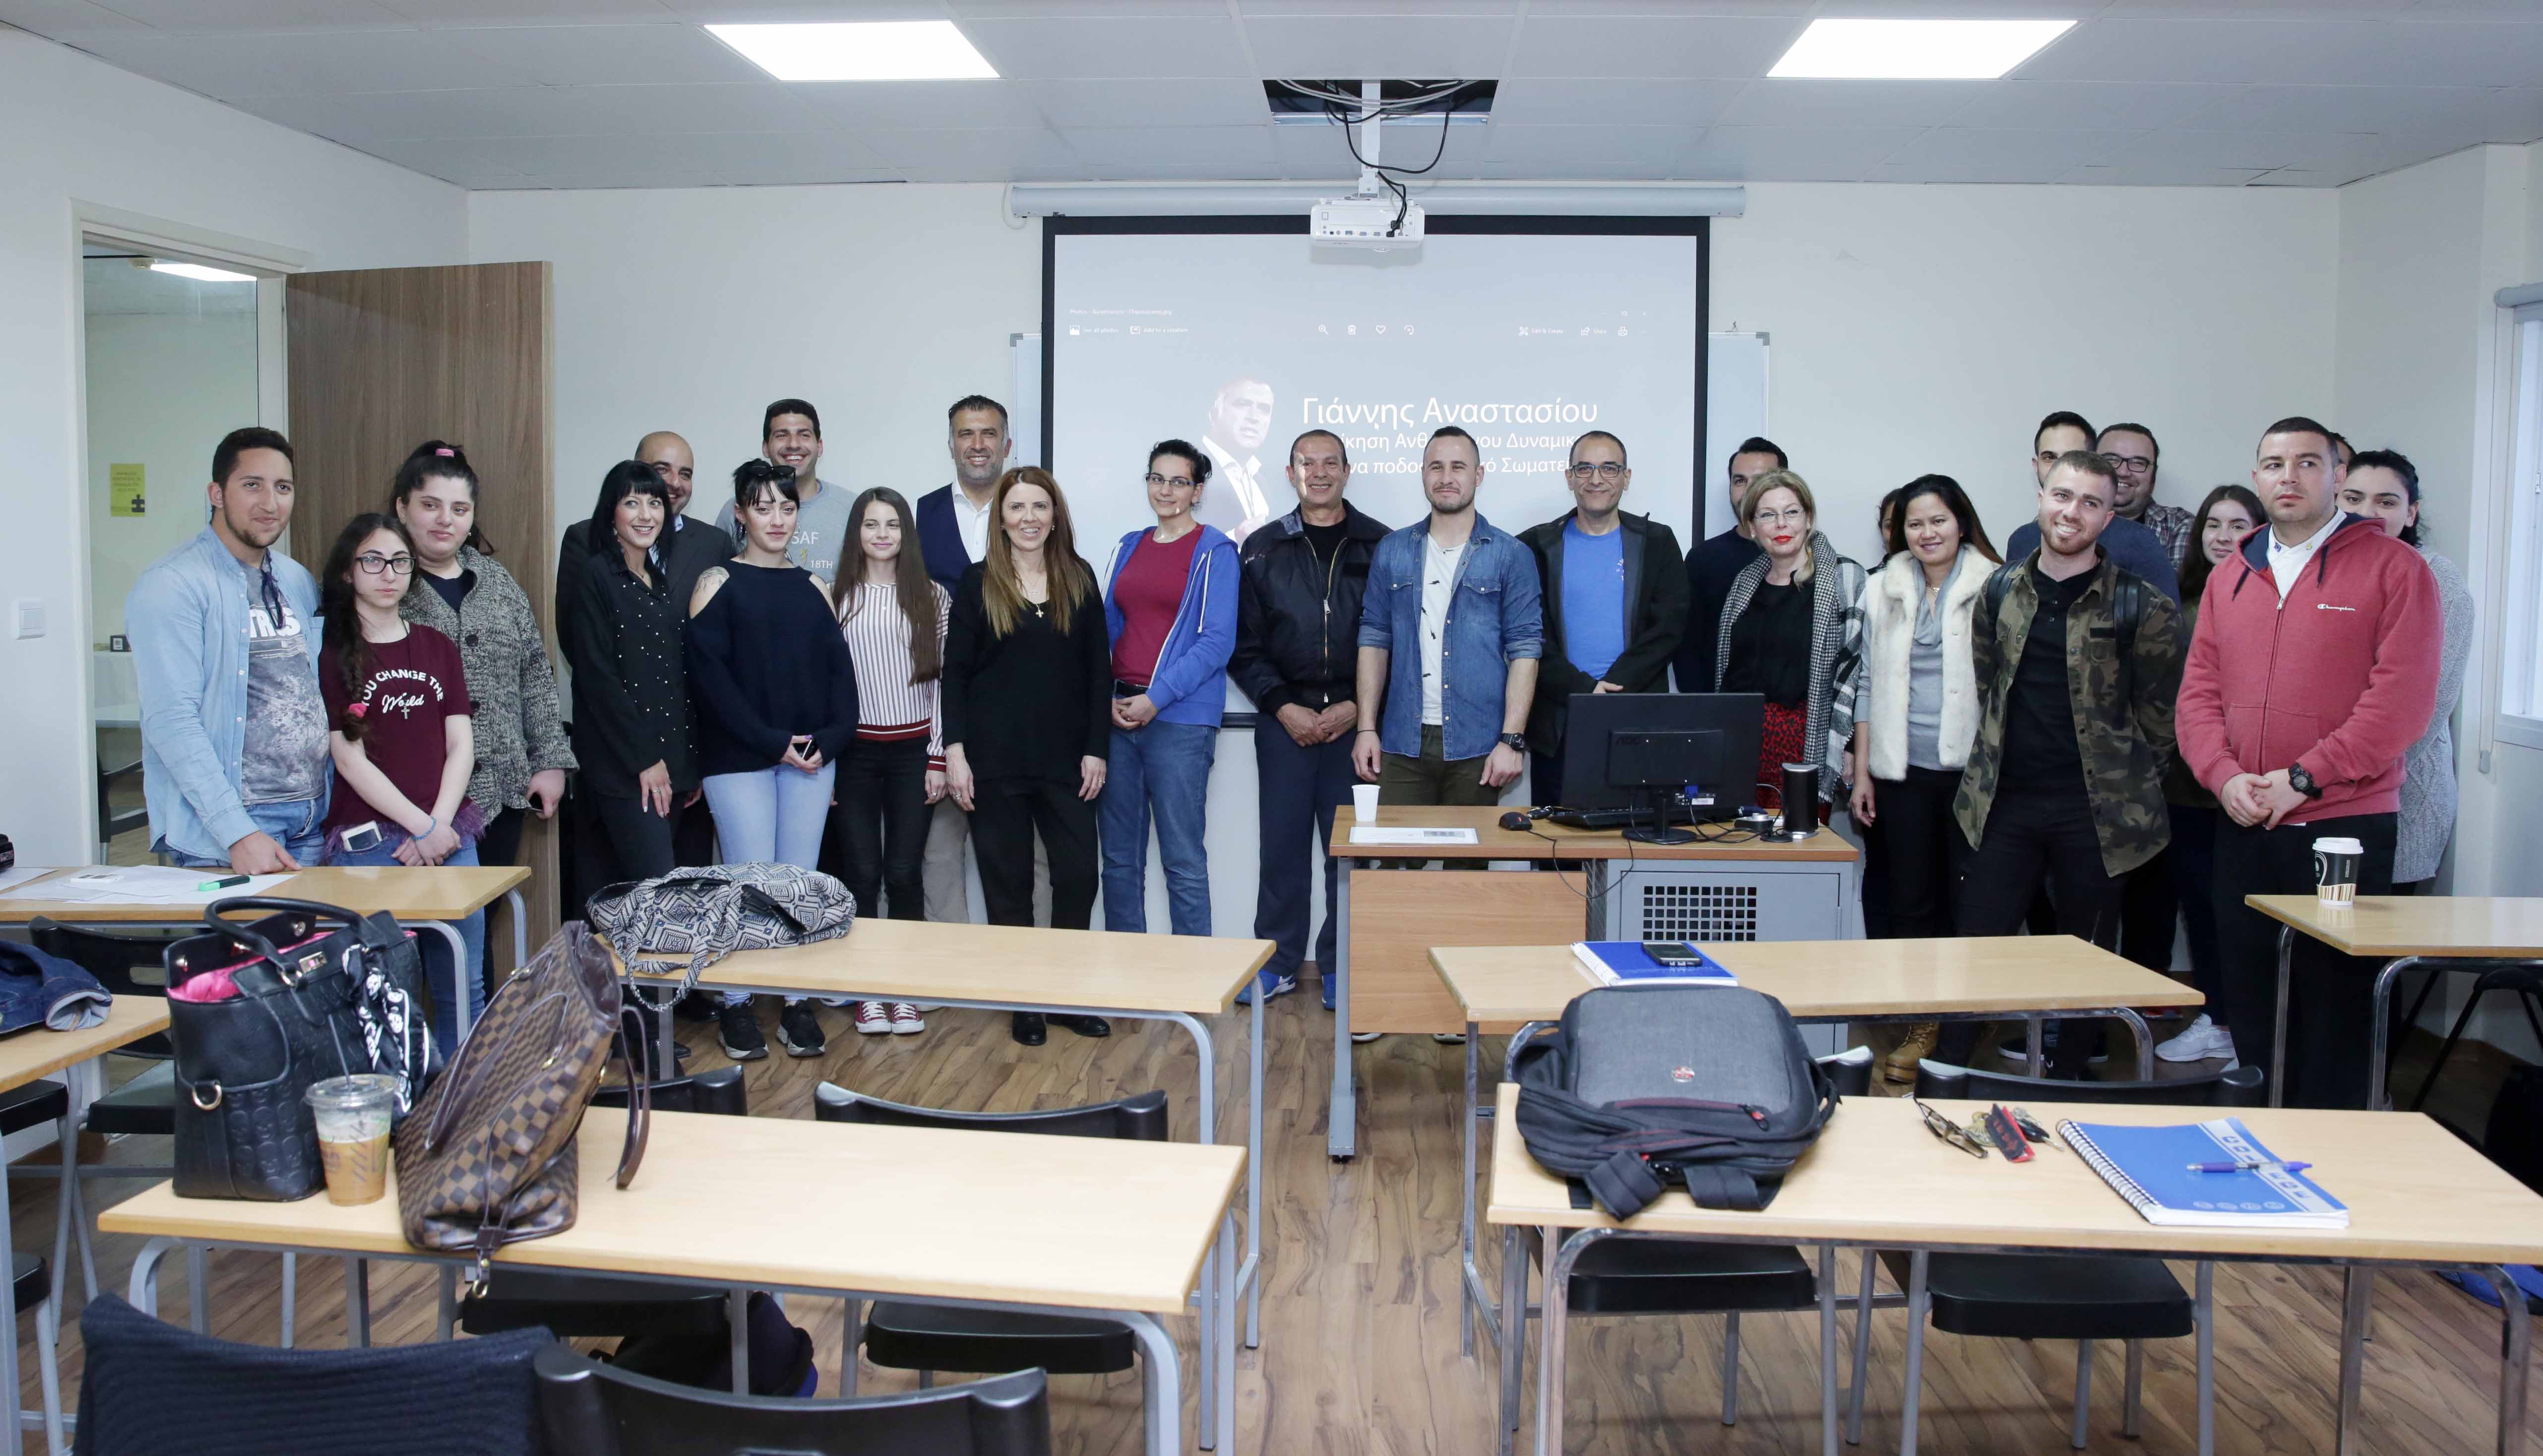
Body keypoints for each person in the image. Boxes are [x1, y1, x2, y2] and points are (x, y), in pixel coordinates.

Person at [2179, 419, 2440, 1108]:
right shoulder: (2231, 574)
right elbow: (2197, 694)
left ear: (2337, 476)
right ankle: (2264, 1143)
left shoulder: (2395, 568)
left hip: (2343, 829)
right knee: (2252, 1003)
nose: (2287, 477)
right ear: (2256, 477)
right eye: (2273, 464)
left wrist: (2302, 779)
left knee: (2335, 1013)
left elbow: (2400, 704)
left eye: (2306, 463)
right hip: (2244, 820)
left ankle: (2334, 1151)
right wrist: (2225, 777)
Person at [1945, 451, 2183, 1078]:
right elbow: (1989, 682)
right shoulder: (2000, 590)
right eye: (2062, 495)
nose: (2071, 511)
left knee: (2086, 961)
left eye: (2090, 502)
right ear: (2041, 499)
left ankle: (2072, 1080)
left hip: (2096, 815)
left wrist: (2125, 783)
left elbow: (2160, 719)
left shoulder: (2142, 606)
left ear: (2107, 518)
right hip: (2004, 805)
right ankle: (1945, 1075)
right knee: (1972, 950)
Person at [685, 460, 861, 1062]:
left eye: (787, 508)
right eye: (763, 508)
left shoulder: (814, 586)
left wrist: (829, 741)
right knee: (748, 881)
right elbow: (711, 684)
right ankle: (736, 1002)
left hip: (809, 758)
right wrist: (772, 741)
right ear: (741, 514)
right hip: (740, 756)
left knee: (797, 885)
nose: (777, 519)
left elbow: (841, 680)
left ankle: (794, 1001)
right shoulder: (716, 582)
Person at [942, 467, 1114, 1047]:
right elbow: (955, 674)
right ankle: (1024, 1001)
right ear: (1001, 518)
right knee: (1008, 885)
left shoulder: (1078, 576)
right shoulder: (977, 581)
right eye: (1017, 507)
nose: (1029, 517)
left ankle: (1065, 996)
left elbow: (1098, 673)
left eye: (1039, 506)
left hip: (1068, 761)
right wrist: (955, 752)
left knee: (1078, 876)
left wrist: (1096, 748)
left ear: (1055, 515)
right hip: (993, 762)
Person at [1839, 476, 2001, 1080]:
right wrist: (1862, 769)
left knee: (1971, 905)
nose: (1927, 533)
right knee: (1910, 902)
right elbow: (1864, 685)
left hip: (1973, 776)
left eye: (1938, 520)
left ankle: (1966, 1023)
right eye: (1915, 523)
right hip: (1901, 771)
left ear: (1961, 522)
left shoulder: (1996, 584)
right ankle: (1922, 1021)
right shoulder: (1883, 587)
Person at [1230, 429, 1389, 1008]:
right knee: (1282, 849)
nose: (1318, 473)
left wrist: (1360, 708)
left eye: (1329, 463)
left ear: (1347, 470)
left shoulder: (1382, 544)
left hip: (1357, 725)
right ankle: (1277, 963)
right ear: (1290, 472)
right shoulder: (1262, 547)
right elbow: (1243, 643)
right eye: (1306, 463)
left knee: (1351, 851)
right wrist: (1281, 705)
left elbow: (1398, 639)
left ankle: (1344, 965)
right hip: (1284, 721)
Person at [315, 513, 484, 1049]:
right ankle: (398, 1099)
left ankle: (462, 1093)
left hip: (450, 834)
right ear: (348, 571)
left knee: (464, 984)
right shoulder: (332, 652)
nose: (388, 573)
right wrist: (420, 828)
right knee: (384, 995)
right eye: (373, 561)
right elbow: (349, 759)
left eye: (399, 561)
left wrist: (438, 826)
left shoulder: (437, 645)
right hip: (371, 845)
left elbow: (462, 745)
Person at [128, 428, 329, 872]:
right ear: (217, 493)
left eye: (283, 487)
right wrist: (236, 831)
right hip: (235, 827)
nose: (270, 503)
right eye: (252, 485)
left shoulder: (295, 579)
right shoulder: (172, 584)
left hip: (311, 816)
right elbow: (171, 720)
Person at [391, 441, 575, 873]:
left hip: (501, 790)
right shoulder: (384, 582)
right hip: (412, 801)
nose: (445, 520)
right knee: (414, 915)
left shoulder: (497, 582)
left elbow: (535, 674)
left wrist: (550, 762)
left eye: (459, 509)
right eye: (430, 505)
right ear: (402, 508)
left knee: (483, 912)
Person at [1353, 426, 1543, 826]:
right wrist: (1366, 729)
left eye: (1459, 467)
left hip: (1479, 745)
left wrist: (1511, 740)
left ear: (1479, 475)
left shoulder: (1512, 555)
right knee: (1397, 860)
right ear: (1423, 474)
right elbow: (1374, 639)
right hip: (1402, 743)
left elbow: (1525, 650)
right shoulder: (1392, 550)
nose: (1446, 477)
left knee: (1468, 862)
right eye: (1436, 467)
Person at [1098, 441, 1239, 939]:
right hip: (1118, 715)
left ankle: (1194, 976)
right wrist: (1106, 697)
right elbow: (1106, 627)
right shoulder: (1129, 545)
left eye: (1179, 481)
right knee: (1119, 859)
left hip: (1179, 720)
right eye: (1157, 478)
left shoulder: (1215, 550)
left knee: (1182, 860)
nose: (1166, 490)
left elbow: (1217, 642)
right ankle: (1126, 970)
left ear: (1197, 491)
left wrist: (1156, 698)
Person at [563, 461, 700, 959]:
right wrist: (645, 759)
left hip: (667, 766)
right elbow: (597, 678)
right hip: (626, 768)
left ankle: (634, 1005)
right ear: (612, 512)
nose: (646, 514)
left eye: (655, 503)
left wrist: (686, 764)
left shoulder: (656, 579)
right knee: (653, 896)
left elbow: (673, 680)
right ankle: (632, 1007)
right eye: (632, 502)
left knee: (640, 901)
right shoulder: (596, 575)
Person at [2153, 485, 2266, 1067]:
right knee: (2199, 906)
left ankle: (2243, 1026)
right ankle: (2218, 1017)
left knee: (2243, 913)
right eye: (2213, 525)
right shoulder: (2180, 599)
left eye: (2238, 525)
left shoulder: (2270, 594)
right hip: (2185, 785)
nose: (2223, 537)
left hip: (2250, 785)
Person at [830, 486, 948, 1036]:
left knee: (903, 873)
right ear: (856, 532)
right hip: (853, 753)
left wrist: (938, 757)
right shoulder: (835, 597)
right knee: (861, 873)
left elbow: (945, 684)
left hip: (912, 753)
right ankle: (866, 992)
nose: (882, 534)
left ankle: (903, 990)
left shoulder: (932, 596)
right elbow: (823, 685)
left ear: (907, 534)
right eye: (871, 524)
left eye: (893, 524)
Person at [1519, 430, 1687, 808]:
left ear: (1627, 478)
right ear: (1569, 478)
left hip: (1638, 719)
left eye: (1609, 468)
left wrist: (1612, 691)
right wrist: (1583, 689)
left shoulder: (1657, 542)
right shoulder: (1535, 546)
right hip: (1560, 723)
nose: (1596, 479)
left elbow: (1668, 628)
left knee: (1636, 836)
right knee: (1558, 839)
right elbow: (1530, 635)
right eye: (1585, 468)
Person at [911, 396, 1023, 927]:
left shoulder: (1028, 509)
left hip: (1015, 706)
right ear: (951, 444)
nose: (977, 445)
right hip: (942, 703)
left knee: (1026, 853)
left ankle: (1036, 964)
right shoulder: (922, 512)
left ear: (1007, 444)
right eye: (965, 434)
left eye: (988, 433)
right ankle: (947, 962)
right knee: (939, 852)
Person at [2340, 450, 2469, 894]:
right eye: (2353, 498)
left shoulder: (2439, 579)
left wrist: (2341, 775)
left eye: (2386, 502)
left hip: (2403, 798)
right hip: (2323, 791)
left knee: (2377, 929)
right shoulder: (2319, 570)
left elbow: (2431, 704)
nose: (2367, 513)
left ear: (2411, 512)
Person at [1711, 470, 1864, 815]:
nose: (1781, 524)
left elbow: (1859, 673)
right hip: (1741, 741)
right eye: (1768, 515)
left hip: (1806, 740)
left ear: (1808, 519)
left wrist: (1852, 746)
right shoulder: (1743, 584)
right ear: (1752, 527)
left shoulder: (1845, 578)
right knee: (1737, 841)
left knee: (1801, 843)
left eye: (1792, 512)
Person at [556, 431, 735, 634]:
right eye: (662, 469)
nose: (676, 483)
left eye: (685, 474)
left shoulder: (715, 543)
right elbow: (572, 631)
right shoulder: (585, 537)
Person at [2004, 411, 2180, 602]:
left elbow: (2165, 616)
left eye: (2073, 458)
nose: (2060, 467)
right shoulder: (2021, 540)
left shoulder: (2139, 542)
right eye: (2050, 457)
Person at [1672, 436, 1782, 692]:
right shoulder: (1704, 559)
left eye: (1762, 481)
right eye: (1740, 481)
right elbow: (1687, 650)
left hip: (1794, 710)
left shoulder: (1804, 559)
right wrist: (1703, 709)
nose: (1749, 491)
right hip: (1722, 708)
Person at [712, 400, 856, 580]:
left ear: (819, 447)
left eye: (804, 435)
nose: (793, 444)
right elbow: (719, 578)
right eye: (782, 435)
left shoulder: (851, 508)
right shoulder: (737, 508)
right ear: (766, 447)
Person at [1195, 377, 1277, 543]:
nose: (1254, 417)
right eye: (1243, 404)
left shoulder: (1261, 480)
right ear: (1214, 413)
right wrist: (1235, 538)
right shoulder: (1186, 469)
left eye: (1264, 409)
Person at [2100, 422, 2191, 566]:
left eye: (2138, 463)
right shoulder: (2068, 516)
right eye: (2111, 460)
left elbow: (2170, 581)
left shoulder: (2178, 524)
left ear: (2153, 476)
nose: (2123, 472)